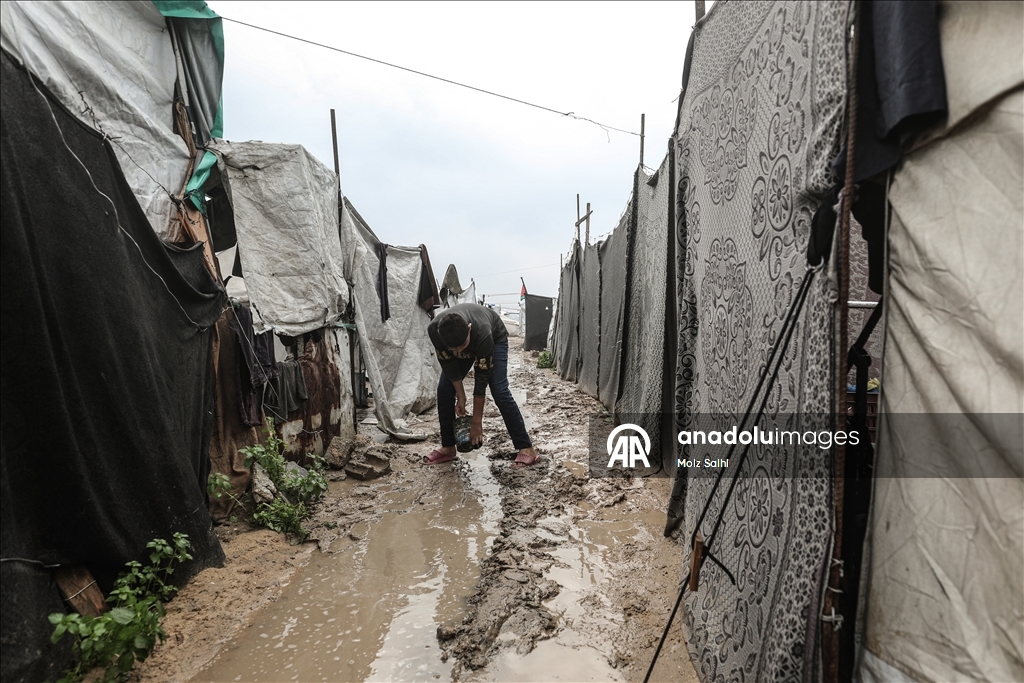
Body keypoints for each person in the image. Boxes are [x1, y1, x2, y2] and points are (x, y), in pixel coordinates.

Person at [424, 303, 540, 467]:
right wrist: (461, 397)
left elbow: (481, 379)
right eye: (453, 349)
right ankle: (448, 447)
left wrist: (477, 423)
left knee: (499, 390)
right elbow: (449, 365)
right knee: (444, 389)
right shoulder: (435, 330)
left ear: (469, 328)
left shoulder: (482, 331)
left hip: (494, 338)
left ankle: (526, 448)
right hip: (469, 339)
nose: (458, 352)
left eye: (462, 346)